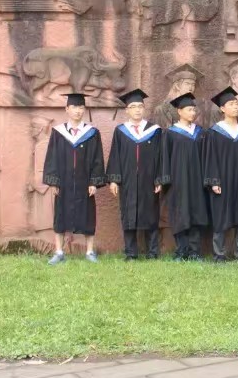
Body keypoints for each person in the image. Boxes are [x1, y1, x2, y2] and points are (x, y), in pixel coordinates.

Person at [42, 93, 106, 265]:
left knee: (88, 215)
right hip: (64, 182)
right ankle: (59, 252)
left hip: (85, 183)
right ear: (67, 109)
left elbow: (97, 159)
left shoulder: (92, 133)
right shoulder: (58, 133)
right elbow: (52, 157)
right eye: (74, 107)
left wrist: (94, 182)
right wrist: (54, 181)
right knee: (60, 215)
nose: (78, 111)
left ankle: (90, 251)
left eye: (81, 107)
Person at [106, 89, 163, 261]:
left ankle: (152, 252)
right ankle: (131, 253)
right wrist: (114, 180)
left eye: (140, 106)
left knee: (151, 214)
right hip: (128, 181)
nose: (137, 110)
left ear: (144, 108)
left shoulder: (154, 130)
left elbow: (160, 156)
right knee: (128, 214)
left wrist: (159, 178)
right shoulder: (121, 131)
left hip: (149, 179)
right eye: (133, 107)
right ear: (127, 110)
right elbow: (115, 156)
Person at [203, 86, 238, 262]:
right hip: (222, 180)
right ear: (222, 108)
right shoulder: (214, 132)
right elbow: (210, 158)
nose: (235, 107)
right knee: (220, 216)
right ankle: (219, 253)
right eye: (231, 104)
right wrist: (214, 181)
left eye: (236, 103)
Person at [159, 92, 209, 261]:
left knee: (196, 213)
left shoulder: (200, 133)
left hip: (197, 180)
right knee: (180, 213)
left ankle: (195, 251)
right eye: (189, 109)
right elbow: (165, 157)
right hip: (178, 181)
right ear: (179, 111)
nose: (192, 113)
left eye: (194, 110)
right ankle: (181, 250)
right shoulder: (170, 133)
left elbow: (206, 157)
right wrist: (165, 179)